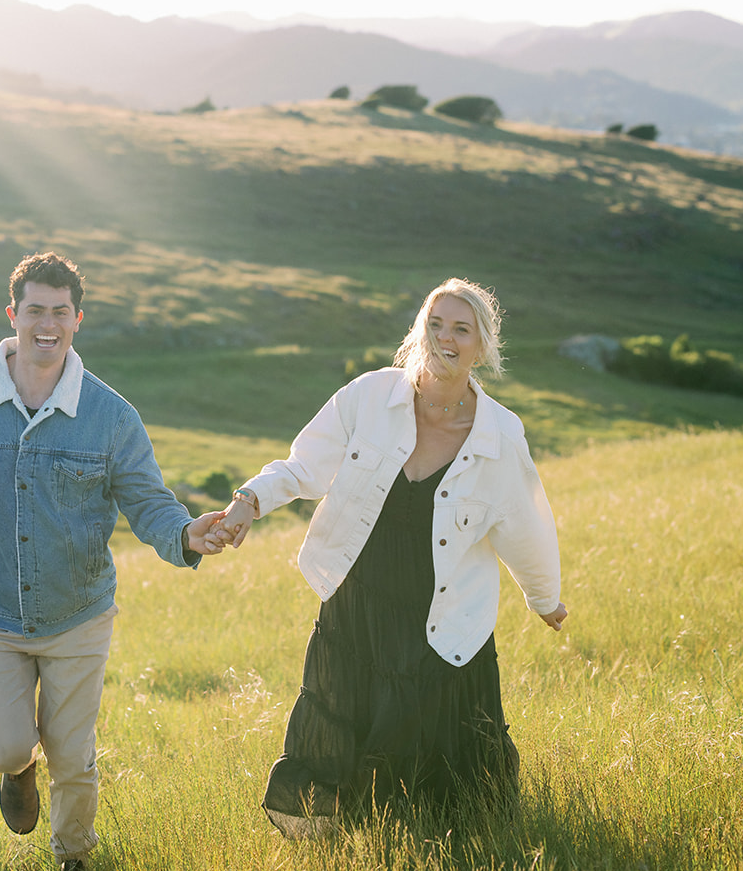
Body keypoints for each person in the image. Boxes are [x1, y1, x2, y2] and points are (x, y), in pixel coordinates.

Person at [0, 252, 226, 871]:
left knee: (73, 757)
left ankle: (74, 862)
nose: (46, 324)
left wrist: (185, 534)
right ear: (13, 315)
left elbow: (147, 501)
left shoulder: (111, 415)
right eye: (34, 311)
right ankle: (15, 769)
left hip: (79, 613)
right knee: (7, 747)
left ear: (77, 319)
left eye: (60, 312)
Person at [214, 277, 568, 838]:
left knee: (425, 734)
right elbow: (305, 464)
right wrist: (249, 500)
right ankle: (343, 839)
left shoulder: (500, 433)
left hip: (442, 610)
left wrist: (544, 597)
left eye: (461, 328)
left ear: (482, 346)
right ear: (418, 331)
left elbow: (523, 523)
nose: (445, 338)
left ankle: (423, 841)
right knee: (345, 717)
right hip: (361, 600)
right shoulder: (370, 396)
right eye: (435, 323)